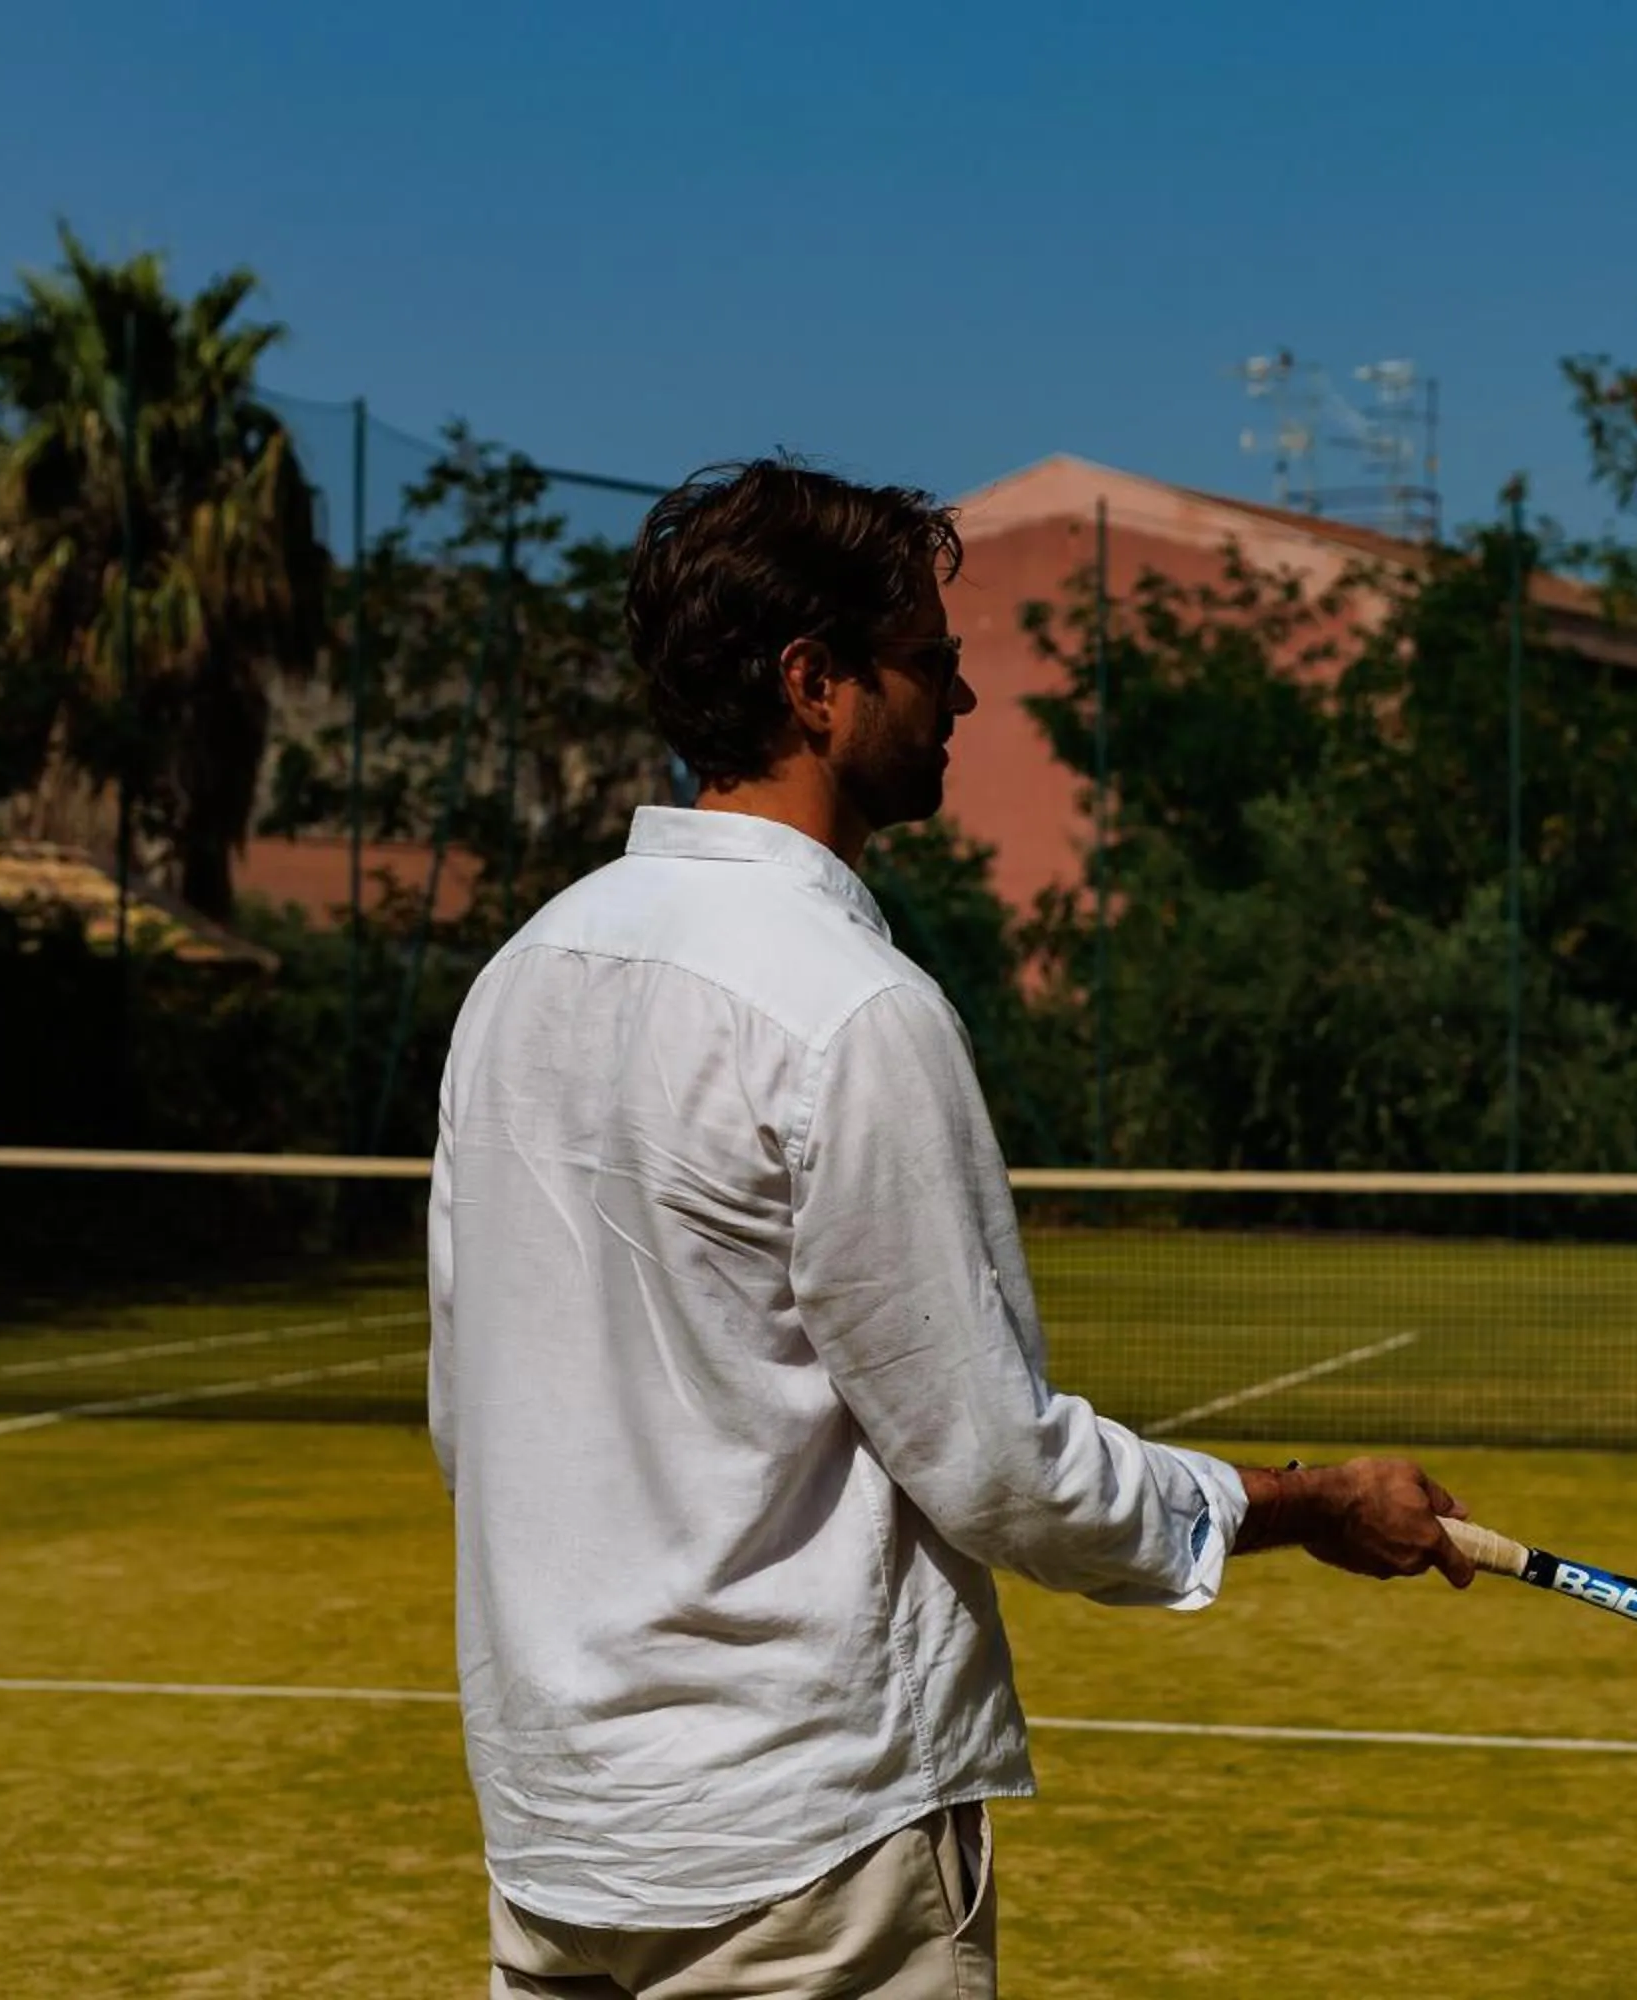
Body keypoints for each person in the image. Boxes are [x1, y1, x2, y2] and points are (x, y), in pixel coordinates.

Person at [426, 457, 1474, 1999]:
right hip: (811, 1853)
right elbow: (1000, 1466)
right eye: (932, 658)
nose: (966, 697)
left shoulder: (518, 976)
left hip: (558, 1844)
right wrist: (1304, 1505)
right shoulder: (854, 1009)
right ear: (816, 687)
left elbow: (473, 1422)